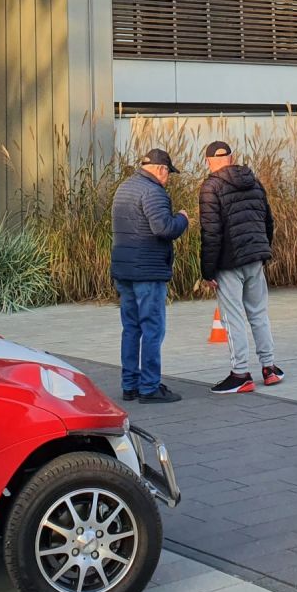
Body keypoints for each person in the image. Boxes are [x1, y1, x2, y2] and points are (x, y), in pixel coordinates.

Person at [197, 140, 283, 394]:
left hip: (229, 262)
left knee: (232, 317)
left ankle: (240, 374)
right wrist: (262, 250)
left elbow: (211, 232)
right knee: (259, 314)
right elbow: (268, 221)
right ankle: (269, 368)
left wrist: (207, 271)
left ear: (208, 162)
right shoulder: (254, 181)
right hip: (255, 258)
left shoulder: (211, 186)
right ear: (232, 159)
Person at [110, 149, 189, 404]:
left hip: (125, 271)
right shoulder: (153, 191)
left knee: (131, 329)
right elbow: (163, 228)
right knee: (153, 329)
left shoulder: (124, 188)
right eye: (168, 172)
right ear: (161, 169)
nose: (168, 178)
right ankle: (149, 387)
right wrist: (182, 219)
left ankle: (130, 385)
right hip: (148, 271)